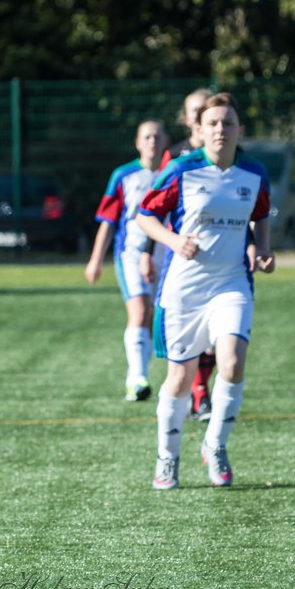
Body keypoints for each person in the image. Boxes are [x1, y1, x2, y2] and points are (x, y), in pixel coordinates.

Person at [135, 92, 275, 490]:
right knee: (180, 379)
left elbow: (261, 214)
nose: (220, 129)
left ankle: (215, 445)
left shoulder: (253, 172)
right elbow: (146, 217)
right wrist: (174, 241)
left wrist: (263, 250)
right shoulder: (181, 169)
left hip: (231, 284)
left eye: (227, 123)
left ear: (239, 130)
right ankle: (167, 458)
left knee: (231, 361)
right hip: (184, 290)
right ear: (199, 130)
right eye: (212, 123)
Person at [85, 119, 170, 402]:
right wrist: (96, 259)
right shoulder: (123, 175)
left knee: (152, 316)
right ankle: (136, 377)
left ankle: (140, 373)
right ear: (137, 142)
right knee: (139, 311)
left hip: (166, 255)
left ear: (166, 141)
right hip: (130, 255)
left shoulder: (173, 173)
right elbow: (108, 222)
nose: (152, 141)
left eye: (157, 136)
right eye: (147, 136)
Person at [155, 87, 217, 420]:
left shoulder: (230, 154)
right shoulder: (176, 157)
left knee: (220, 337)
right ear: (186, 118)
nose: (198, 116)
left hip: (224, 261)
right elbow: (154, 211)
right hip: (182, 259)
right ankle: (196, 392)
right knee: (187, 335)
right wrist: (155, 248)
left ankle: (203, 392)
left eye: (204, 109)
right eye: (194, 110)